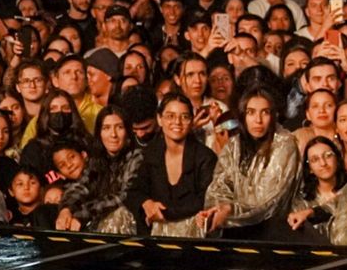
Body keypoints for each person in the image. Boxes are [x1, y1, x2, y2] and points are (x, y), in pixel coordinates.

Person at [199, 86, 300, 238]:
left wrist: (230, 210)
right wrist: (218, 209)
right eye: (251, 112)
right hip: (234, 231)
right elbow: (219, 188)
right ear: (243, 115)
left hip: (273, 233)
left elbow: (270, 202)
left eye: (265, 112)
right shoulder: (234, 145)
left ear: (273, 115)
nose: (258, 120)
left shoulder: (284, 143)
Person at [126, 93, 218, 237]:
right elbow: (132, 190)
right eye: (170, 116)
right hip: (153, 233)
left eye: (185, 117)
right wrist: (146, 202)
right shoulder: (146, 154)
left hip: (192, 234)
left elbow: (206, 200)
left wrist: (165, 214)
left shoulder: (205, 157)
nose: (177, 122)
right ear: (159, 119)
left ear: (192, 120)